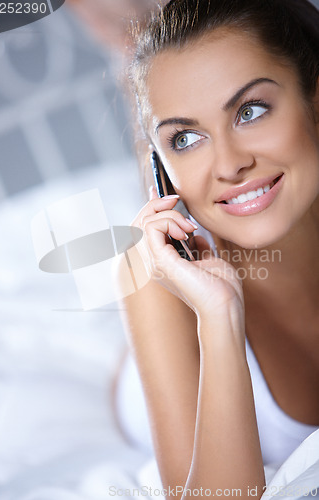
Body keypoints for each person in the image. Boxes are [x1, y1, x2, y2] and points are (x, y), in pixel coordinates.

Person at [114, 0, 319, 498]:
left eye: (250, 111)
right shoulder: (151, 279)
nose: (229, 164)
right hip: (142, 370)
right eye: (185, 139)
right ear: (162, 169)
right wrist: (218, 314)